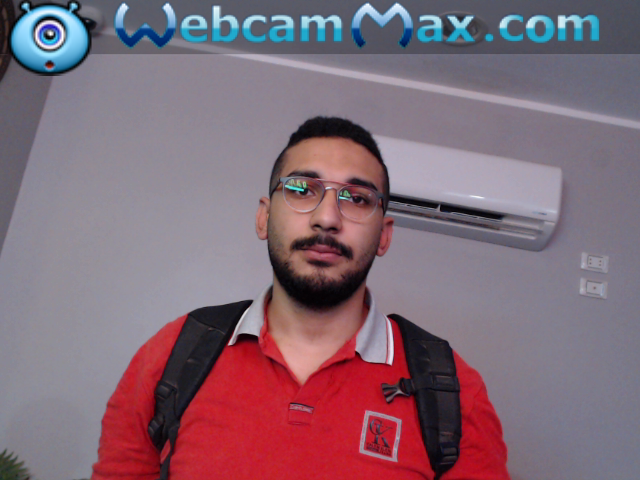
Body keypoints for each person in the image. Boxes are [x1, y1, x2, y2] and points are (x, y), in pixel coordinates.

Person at [91, 117, 510, 480]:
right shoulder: (172, 354)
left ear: (384, 236)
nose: (327, 218)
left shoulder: (454, 392)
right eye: (301, 189)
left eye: (357, 198)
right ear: (264, 217)